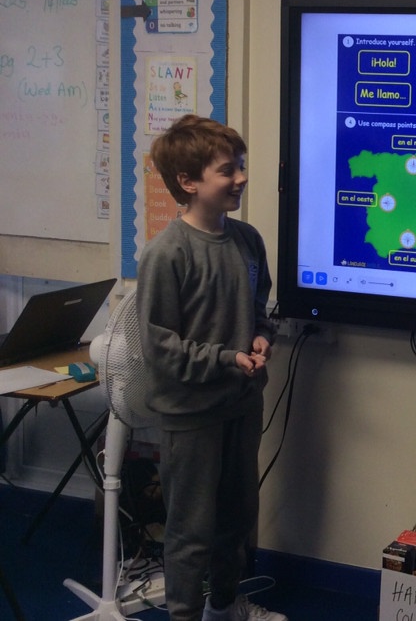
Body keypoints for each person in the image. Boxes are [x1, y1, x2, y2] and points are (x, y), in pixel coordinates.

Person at [137, 115, 286, 621]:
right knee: (191, 532)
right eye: (228, 170)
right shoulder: (166, 254)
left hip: (241, 406)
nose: (241, 178)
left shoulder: (247, 240)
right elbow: (160, 347)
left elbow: (260, 307)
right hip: (191, 416)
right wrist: (226, 359)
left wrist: (262, 335)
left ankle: (223, 610)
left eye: (241, 166)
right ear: (188, 182)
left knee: (237, 521)